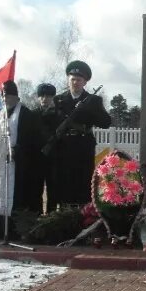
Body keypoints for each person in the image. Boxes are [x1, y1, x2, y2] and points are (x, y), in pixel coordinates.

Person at [0, 81, 45, 237]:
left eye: (9, 95)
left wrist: (18, 150)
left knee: (15, 197)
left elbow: (34, 142)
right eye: (4, 95)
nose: (6, 98)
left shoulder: (26, 115)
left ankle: (13, 230)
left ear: (16, 97)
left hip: (17, 167)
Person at [51, 61, 112, 207]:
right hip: (63, 146)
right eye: (72, 79)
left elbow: (106, 122)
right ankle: (63, 215)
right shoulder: (58, 99)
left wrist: (88, 110)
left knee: (83, 183)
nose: (75, 82)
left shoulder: (94, 100)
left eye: (79, 80)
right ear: (68, 80)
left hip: (83, 146)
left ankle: (83, 215)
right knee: (64, 182)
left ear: (85, 82)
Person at [34, 83, 62, 214]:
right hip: (37, 157)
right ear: (38, 97)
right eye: (42, 96)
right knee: (36, 189)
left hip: (54, 158)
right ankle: (37, 216)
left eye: (48, 96)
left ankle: (51, 217)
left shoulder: (59, 116)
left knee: (53, 190)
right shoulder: (32, 114)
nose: (45, 99)